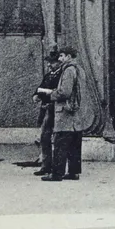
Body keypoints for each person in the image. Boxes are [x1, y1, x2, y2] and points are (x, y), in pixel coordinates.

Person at [40, 46, 83, 182]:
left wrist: (51, 94)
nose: (59, 59)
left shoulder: (68, 70)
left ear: (69, 57)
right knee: (74, 144)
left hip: (65, 113)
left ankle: (57, 174)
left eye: (62, 56)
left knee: (60, 143)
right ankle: (73, 172)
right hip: (76, 113)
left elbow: (65, 92)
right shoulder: (79, 69)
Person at [32, 49, 64, 177]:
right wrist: (35, 95)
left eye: (52, 62)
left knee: (56, 138)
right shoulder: (48, 75)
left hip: (55, 109)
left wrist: (46, 92)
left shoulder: (61, 75)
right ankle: (46, 165)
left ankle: (54, 167)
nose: (49, 65)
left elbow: (58, 92)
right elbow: (39, 88)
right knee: (44, 138)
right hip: (45, 108)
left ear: (58, 63)